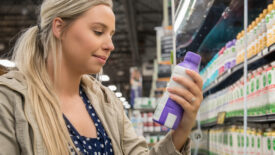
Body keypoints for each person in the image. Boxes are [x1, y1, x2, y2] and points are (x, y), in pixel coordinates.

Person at [0, 0, 203, 154]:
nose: (110, 45)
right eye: (98, 31)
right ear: (59, 28)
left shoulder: (106, 102)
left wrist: (183, 128)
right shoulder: (9, 100)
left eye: (111, 34)